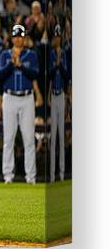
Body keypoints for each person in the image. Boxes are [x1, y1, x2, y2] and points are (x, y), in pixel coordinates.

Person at [0, 24, 39, 184]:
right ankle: (7, 176)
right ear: (12, 38)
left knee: (29, 139)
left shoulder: (31, 55)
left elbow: (35, 74)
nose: (18, 39)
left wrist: (20, 65)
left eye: (20, 36)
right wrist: (11, 64)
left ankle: (31, 177)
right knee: (8, 138)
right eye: (15, 36)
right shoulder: (5, 55)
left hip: (27, 97)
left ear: (24, 37)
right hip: (9, 97)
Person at [48, 25, 68, 182]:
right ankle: (52, 175)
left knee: (61, 137)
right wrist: (56, 64)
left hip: (61, 95)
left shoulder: (65, 54)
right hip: (53, 95)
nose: (57, 39)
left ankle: (61, 174)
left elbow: (67, 75)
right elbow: (48, 75)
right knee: (53, 137)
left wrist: (60, 63)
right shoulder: (50, 54)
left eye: (58, 37)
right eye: (55, 37)